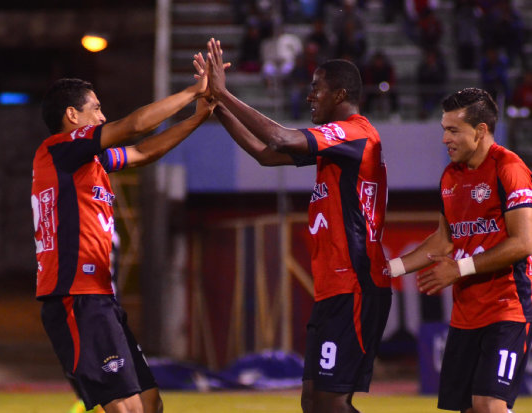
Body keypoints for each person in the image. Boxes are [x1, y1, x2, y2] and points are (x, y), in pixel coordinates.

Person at [203, 38, 392, 413]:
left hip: (354, 283)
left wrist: (226, 95)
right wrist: (217, 107)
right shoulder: (336, 145)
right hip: (333, 286)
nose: (309, 97)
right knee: (313, 402)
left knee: (332, 403)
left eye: (316, 88)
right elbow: (264, 155)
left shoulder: (354, 133)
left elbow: (279, 137)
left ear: (340, 93)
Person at [31, 66, 214, 412]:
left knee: (150, 402)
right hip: (77, 298)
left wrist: (197, 118)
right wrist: (193, 92)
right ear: (72, 115)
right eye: (96, 108)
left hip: (99, 299)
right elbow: (134, 126)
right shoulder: (58, 149)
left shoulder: (89, 160)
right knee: (128, 409)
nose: (103, 115)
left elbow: (144, 152)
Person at [388, 88, 532, 413]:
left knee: (488, 403)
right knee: (469, 407)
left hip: (506, 307)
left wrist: (460, 268)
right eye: (444, 129)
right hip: (465, 315)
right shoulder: (450, 177)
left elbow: (523, 242)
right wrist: (389, 270)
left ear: (481, 131)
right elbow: (443, 241)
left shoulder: (508, 168)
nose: (444, 139)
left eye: (453, 130)